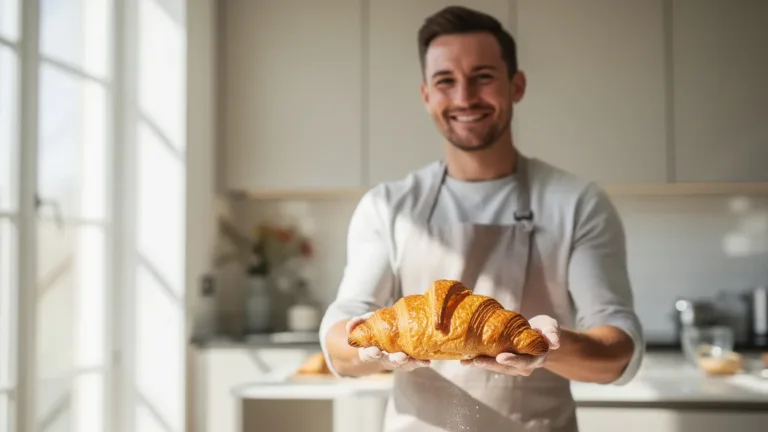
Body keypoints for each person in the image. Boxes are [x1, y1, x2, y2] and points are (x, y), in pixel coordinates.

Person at [319, 5, 644, 432]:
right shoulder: (390, 206)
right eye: (445, 81)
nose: (464, 97)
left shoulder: (575, 202)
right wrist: (367, 349)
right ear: (426, 96)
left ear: (517, 85)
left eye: (483, 77)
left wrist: (549, 347)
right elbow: (339, 337)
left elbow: (618, 351)